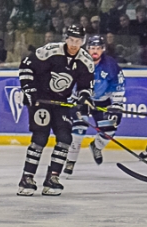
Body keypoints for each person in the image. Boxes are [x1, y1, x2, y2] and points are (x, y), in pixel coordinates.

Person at [17, 25, 94, 196]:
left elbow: (86, 86)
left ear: (83, 41)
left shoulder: (85, 61)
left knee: (65, 138)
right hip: (41, 100)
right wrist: (29, 89)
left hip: (61, 102)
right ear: (66, 39)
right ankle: (27, 178)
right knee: (40, 137)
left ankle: (53, 177)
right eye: (71, 40)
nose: (74, 44)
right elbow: (26, 66)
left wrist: (84, 97)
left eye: (78, 41)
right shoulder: (50, 51)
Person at [65, 35, 125, 174]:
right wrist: (73, 99)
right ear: (87, 48)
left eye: (98, 48)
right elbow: (68, 82)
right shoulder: (77, 62)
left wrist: (116, 105)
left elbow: (118, 84)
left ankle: (96, 146)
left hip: (102, 101)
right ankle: (70, 161)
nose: (95, 51)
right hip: (81, 100)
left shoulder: (110, 64)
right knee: (78, 131)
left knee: (109, 129)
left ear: (103, 49)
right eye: (92, 48)